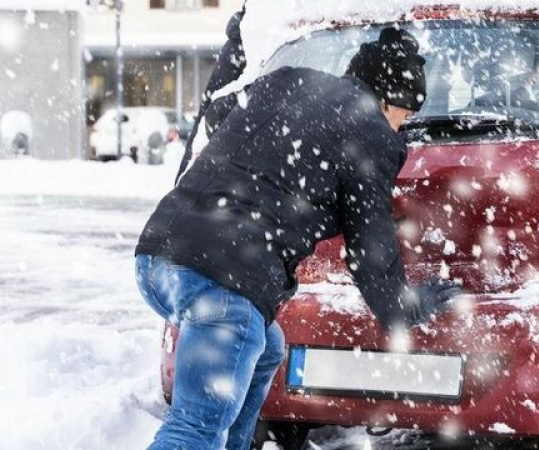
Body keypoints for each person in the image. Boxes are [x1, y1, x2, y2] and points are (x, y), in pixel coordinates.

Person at [134, 21, 462, 450]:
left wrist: (237, 44)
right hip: (223, 279)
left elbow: (216, 114)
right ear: (388, 100)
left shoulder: (286, 81)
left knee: (266, 348)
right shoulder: (373, 134)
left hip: (159, 256)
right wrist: (405, 307)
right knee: (194, 429)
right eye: (406, 116)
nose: (403, 127)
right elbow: (370, 249)